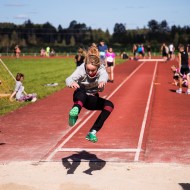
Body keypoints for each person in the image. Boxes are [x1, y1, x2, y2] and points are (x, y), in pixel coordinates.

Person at [65, 46, 114, 143]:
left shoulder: (101, 69)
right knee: (81, 88)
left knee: (109, 105)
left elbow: (104, 75)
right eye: (88, 70)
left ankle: (93, 132)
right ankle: (74, 113)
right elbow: (69, 79)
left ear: (98, 67)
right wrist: (71, 83)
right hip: (79, 97)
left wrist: (102, 81)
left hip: (91, 100)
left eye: (93, 70)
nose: (90, 73)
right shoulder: (81, 69)